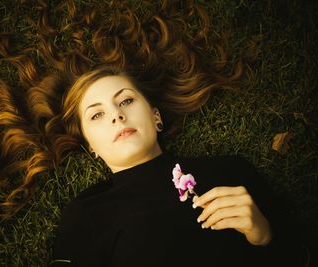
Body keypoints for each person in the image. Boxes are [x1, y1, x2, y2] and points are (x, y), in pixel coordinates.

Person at [50, 65, 310, 266]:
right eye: (97, 115)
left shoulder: (230, 171)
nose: (117, 115)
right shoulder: (85, 215)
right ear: (91, 146)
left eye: (126, 100)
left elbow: (301, 255)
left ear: (156, 116)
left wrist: (264, 234)